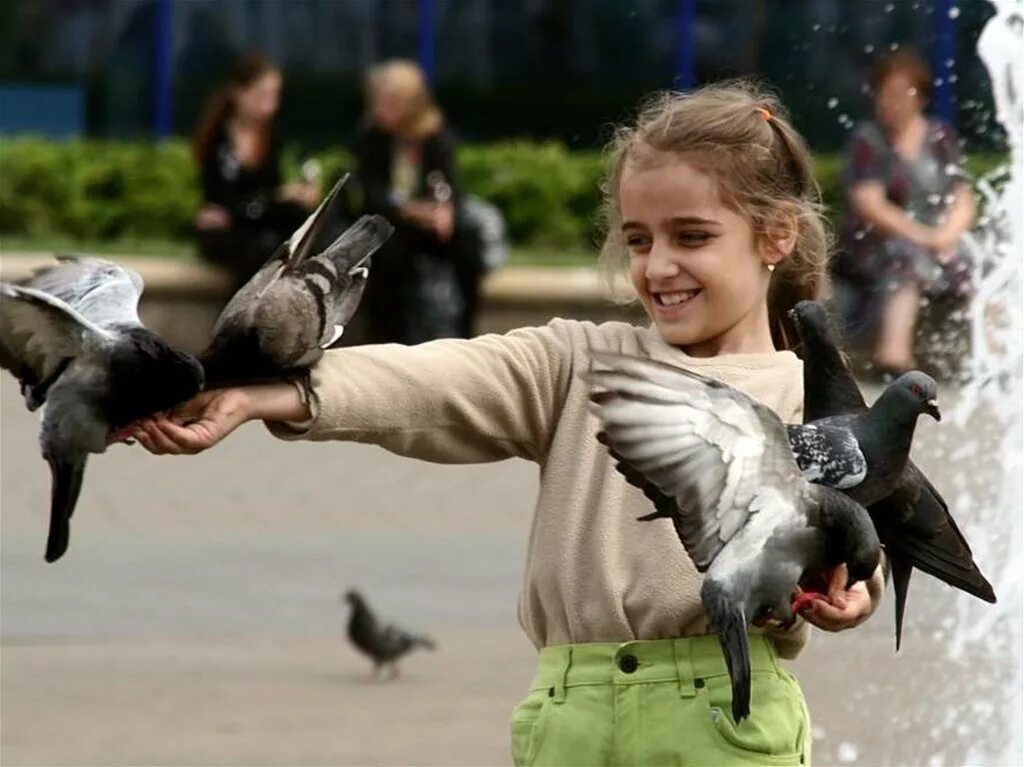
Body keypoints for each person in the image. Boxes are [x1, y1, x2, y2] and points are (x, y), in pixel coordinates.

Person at [128, 82, 885, 766]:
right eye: (639, 239)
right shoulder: (581, 362)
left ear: (775, 236)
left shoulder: (813, 401)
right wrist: (264, 395)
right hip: (569, 719)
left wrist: (857, 587)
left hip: (728, 717)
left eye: (691, 237)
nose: (657, 267)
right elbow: (427, 381)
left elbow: (860, 536)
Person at [833, 49, 976, 376]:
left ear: (920, 97)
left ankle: (992, 360)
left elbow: (962, 198)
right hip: (878, 246)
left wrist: (947, 235)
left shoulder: (940, 137)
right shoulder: (868, 140)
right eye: (885, 94)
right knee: (904, 256)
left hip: (935, 242)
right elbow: (870, 205)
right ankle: (893, 359)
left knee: (981, 258)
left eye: (900, 93)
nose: (891, 102)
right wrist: (924, 237)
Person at [355, 59, 469, 343]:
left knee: (466, 246)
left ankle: (461, 335)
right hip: (390, 224)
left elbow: (450, 186)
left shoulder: (436, 136)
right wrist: (407, 210)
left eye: (390, 103)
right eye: (378, 102)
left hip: (428, 227)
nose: (381, 110)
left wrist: (445, 210)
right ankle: (389, 340)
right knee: (390, 253)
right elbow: (370, 194)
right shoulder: (371, 137)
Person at [192, 52, 320, 290]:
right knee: (261, 251)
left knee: (298, 235)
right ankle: (242, 322)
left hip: (262, 221)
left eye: (275, 96)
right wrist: (276, 197)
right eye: (262, 95)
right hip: (230, 232)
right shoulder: (217, 141)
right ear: (238, 92)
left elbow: (288, 182)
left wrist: (300, 192)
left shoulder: (276, 138)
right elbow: (224, 205)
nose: (270, 105)